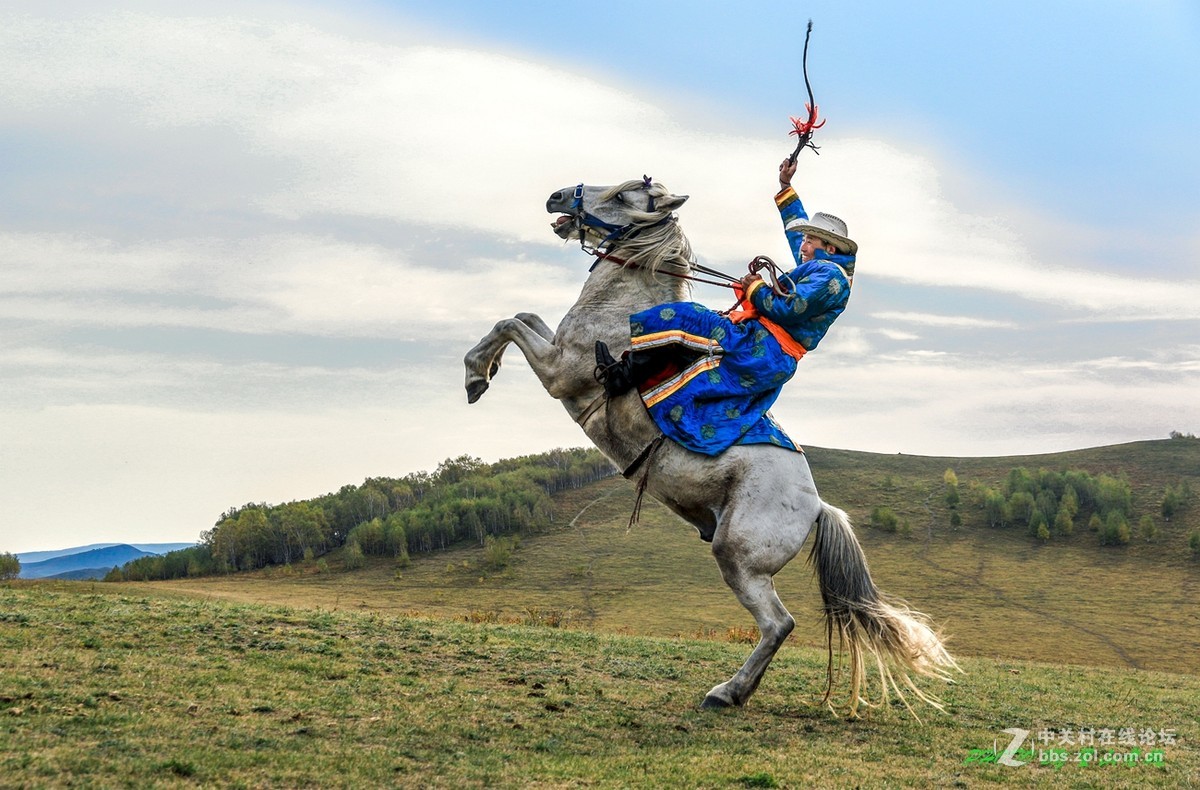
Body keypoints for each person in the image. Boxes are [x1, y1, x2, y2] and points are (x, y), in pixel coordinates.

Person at [594, 157, 857, 456]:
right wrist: (785, 187)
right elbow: (795, 231)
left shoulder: (830, 276)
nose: (803, 245)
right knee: (694, 334)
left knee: (689, 318)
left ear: (830, 248)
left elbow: (790, 308)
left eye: (811, 240)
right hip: (765, 344)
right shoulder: (821, 267)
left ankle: (621, 376)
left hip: (767, 349)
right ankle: (629, 374)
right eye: (806, 238)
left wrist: (754, 287)